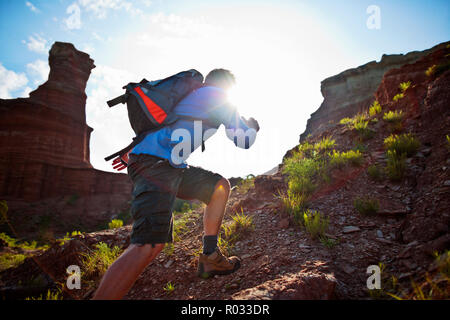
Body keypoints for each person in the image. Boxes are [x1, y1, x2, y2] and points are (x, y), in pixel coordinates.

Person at [93, 69, 259, 300]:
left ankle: (210, 256)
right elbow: (244, 140)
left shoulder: (191, 95)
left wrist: (133, 152)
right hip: (158, 165)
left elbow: (164, 125)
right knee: (148, 244)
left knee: (219, 187)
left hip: (167, 165)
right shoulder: (220, 98)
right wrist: (253, 125)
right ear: (227, 86)